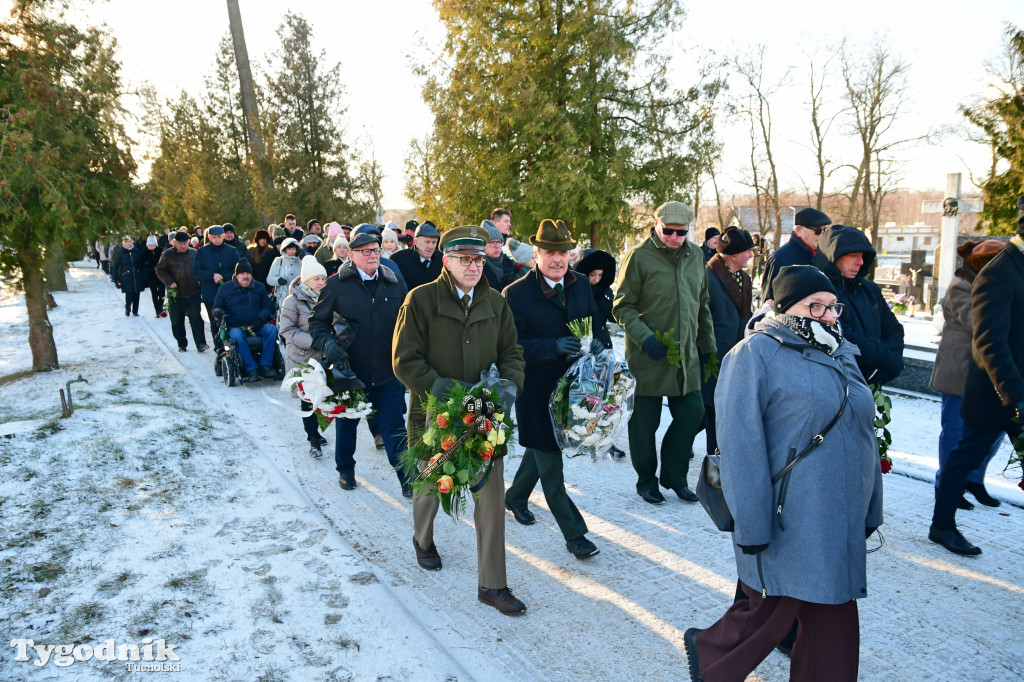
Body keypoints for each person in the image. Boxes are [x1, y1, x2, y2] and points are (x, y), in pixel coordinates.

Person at [685, 265, 882, 682]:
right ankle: (712, 658)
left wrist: (871, 506)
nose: (828, 316)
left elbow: (864, 431)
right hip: (790, 513)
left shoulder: (841, 351)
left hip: (839, 512)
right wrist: (752, 524)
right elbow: (741, 447)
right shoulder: (755, 355)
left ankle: (712, 654)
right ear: (783, 307)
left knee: (829, 611)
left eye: (833, 307)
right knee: (777, 605)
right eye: (816, 306)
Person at [392, 225, 527, 616]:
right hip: (438, 416)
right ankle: (422, 539)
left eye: (479, 259)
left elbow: (512, 352)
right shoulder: (420, 300)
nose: (474, 266)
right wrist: (443, 389)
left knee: (491, 498)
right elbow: (404, 360)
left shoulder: (497, 304)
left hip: (486, 413)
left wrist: (510, 385)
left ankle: (492, 585)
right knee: (431, 485)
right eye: (465, 259)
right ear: (446, 261)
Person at [502, 219, 610, 560]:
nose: (557, 259)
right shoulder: (515, 294)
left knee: (542, 451)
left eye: (563, 252)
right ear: (536, 254)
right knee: (551, 465)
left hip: (574, 389)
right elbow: (511, 347)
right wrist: (553, 346)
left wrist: (600, 349)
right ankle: (575, 535)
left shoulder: (579, 285)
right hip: (535, 392)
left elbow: (595, 323)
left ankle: (515, 497)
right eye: (549, 252)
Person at [930, 196, 1024, 556]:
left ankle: (945, 520)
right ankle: (942, 525)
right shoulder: (998, 272)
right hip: (997, 390)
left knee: (966, 454)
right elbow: (989, 341)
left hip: (1014, 387)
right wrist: (1014, 393)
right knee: (962, 454)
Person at [612, 201, 716, 505]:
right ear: (656, 225)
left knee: (693, 412)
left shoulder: (696, 255)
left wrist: (709, 350)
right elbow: (622, 306)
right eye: (667, 230)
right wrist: (645, 339)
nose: (673, 237)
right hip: (649, 356)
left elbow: (702, 306)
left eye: (680, 232)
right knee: (644, 423)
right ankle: (647, 480)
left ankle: (675, 475)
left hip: (686, 356)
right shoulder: (639, 257)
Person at [310, 230, 411, 495]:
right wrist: (327, 343)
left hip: (388, 373)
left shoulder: (395, 283)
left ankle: (407, 479)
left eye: (376, 250)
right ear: (352, 256)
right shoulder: (336, 284)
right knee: (347, 425)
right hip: (350, 373)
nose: (372, 255)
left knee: (394, 428)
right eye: (365, 251)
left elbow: (409, 324)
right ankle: (345, 470)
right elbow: (317, 322)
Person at [929, 240, 1006, 510]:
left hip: (987, 373)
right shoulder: (960, 287)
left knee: (993, 432)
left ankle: (973, 478)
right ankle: (947, 484)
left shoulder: (996, 286)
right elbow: (979, 324)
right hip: (959, 372)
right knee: (955, 432)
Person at [816, 225, 904, 386]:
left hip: (871, 383)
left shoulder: (870, 289)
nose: (860, 262)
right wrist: (888, 358)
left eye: (863, 256)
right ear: (833, 256)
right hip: (838, 383)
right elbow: (842, 338)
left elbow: (893, 328)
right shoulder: (820, 291)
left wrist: (890, 360)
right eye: (852, 255)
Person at [702, 227, 755, 455]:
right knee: (709, 416)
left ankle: (723, 467)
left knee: (725, 417)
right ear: (734, 255)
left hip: (736, 359)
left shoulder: (745, 278)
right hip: (711, 360)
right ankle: (713, 471)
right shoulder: (707, 277)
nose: (751, 256)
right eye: (747, 252)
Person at [279, 256, 330, 458]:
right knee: (308, 400)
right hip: (302, 357)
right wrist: (312, 341)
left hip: (324, 356)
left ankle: (318, 430)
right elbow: (287, 330)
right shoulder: (292, 301)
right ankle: (313, 439)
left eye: (323, 279)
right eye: (316, 279)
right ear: (306, 280)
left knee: (324, 398)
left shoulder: (327, 297)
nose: (320, 283)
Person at [212, 260, 278, 382]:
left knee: (272, 329)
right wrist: (217, 312)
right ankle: (251, 368)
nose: (246, 276)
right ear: (236, 275)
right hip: (235, 327)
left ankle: (266, 365)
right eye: (242, 273)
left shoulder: (259, 287)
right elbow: (216, 306)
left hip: (256, 325)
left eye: (248, 273)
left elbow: (268, 306)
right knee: (237, 336)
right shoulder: (225, 288)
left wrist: (260, 319)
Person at [760, 207, 830, 302]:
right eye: (817, 231)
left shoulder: (824, 257)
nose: (822, 235)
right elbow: (769, 302)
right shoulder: (779, 258)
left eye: (825, 230)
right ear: (799, 230)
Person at [156, 230, 206, 352]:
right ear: (175, 243)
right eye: (180, 243)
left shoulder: (195, 253)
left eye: (185, 243)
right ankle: (182, 343)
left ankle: (201, 343)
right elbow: (160, 270)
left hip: (193, 292)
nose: (183, 246)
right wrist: (169, 282)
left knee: (196, 318)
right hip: (176, 294)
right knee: (177, 320)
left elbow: (202, 268)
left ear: (189, 242)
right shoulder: (167, 255)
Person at [193, 225, 239, 355]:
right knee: (215, 322)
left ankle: (232, 346)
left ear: (223, 236)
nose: (217, 240)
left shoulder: (231, 251)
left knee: (231, 320)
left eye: (219, 237)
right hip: (210, 293)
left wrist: (224, 276)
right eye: (214, 237)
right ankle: (219, 348)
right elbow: (196, 271)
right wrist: (211, 275)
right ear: (209, 238)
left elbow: (239, 269)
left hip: (230, 293)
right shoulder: (202, 252)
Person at [389, 221, 443, 290]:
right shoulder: (399, 259)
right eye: (427, 242)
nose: (431, 247)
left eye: (434, 242)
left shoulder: (442, 259)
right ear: (415, 242)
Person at [481, 220, 520, 291]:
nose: (497, 246)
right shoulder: (478, 268)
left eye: (499, 242)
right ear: (483, 245)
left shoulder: (511, 265)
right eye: (492, 242)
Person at [112, 235, 145, 317]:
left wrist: (142, 274)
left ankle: (135, 311)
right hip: (126, 275)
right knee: (129, 294)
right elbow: (116, 265)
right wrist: (115, 277)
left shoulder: (136, 251)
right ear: (123, 243)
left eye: (129, 242)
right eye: (126, 242)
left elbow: (140, 263)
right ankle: (128, 308)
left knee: (137, 293)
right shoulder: (120, 252)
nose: (128, 244)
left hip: (136, 274)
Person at [267, 237, 303, 311]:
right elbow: (269, 279)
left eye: (293, 249)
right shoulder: (279, 260)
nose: (291, 251)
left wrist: (302, 258)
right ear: (284, 250)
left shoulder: (300, 261)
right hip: (282, 297)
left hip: (299, 297)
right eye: (289, 249)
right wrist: (278, 280)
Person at [141, 235, 166, 318]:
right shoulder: (144, 253)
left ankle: (161, 306)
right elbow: (142, 266)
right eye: (149, 245)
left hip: (160, 276)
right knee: (154, 293)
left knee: (162, 292)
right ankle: (157, 309)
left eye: (152, 245)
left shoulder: (160, 251)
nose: (151, 247)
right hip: (151, 277)